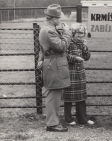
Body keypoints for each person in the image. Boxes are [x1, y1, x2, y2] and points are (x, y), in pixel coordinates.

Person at [37, 4, 72, 132]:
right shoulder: (49, 30)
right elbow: (62, 46)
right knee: (53, 95)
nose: (60, 21)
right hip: (54, 66)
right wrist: (68, 32)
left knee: (54, 94)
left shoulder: (47, 28)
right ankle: (52, 124)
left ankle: (53, 122)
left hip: (52, 64)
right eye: (59, 18)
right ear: (53, 19)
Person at [62, 23, 94, 126]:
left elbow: (87, 57)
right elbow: (63, 56)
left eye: (83, 33)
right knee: (69, 97)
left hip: (80, 73)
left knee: (81, 97)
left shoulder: (81, 43)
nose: (81, 35)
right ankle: (68, 118)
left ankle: (82, 119)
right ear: (74, 32)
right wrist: (74, 58)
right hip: (70, 73)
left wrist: (85, 47)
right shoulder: (68, 42)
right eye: (79, 33)